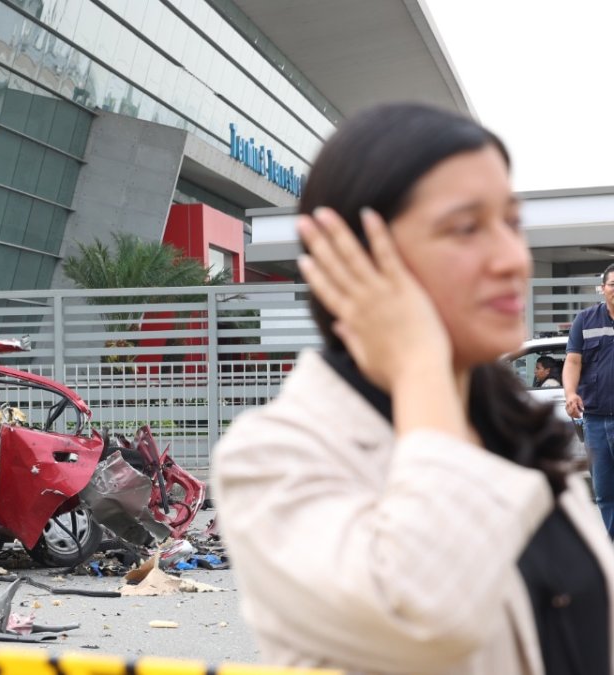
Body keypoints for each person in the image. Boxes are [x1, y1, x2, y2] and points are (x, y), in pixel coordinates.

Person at [213, 103, 614, 674]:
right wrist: (421, 363)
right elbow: (428, 611)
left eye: (511, 224)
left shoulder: (510, 424)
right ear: (353, 254)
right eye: (466, 228)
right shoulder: (274, 457)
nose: (510, 259)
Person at [564, 262, 614, 537]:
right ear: (603, 288)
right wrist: (570, 393)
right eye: (613, 284)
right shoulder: (585, 320)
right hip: (594, 421)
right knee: (604, 492)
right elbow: (572, 361)